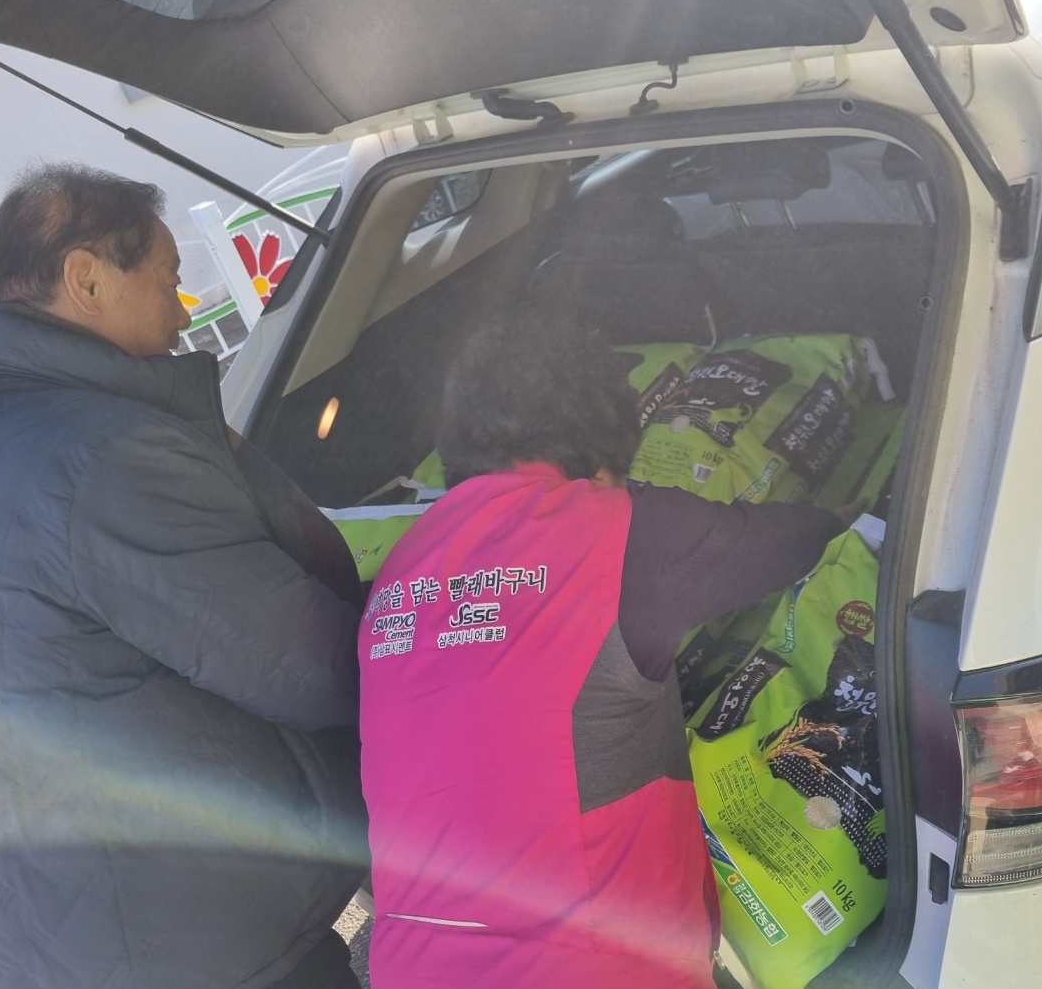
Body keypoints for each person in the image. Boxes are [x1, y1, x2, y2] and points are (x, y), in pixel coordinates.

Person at [0, 165, 368, 989]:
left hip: (49, 935)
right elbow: (314, 671)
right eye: (168, 279)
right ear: (87, 279)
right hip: (196, 947)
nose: (184, 309)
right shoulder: (106, 456)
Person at [358, 313, 848, 988]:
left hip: (407, 968)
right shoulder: (613, 531)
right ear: (599, 449)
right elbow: (791, 543)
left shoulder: (400, 569)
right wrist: (853, 513)